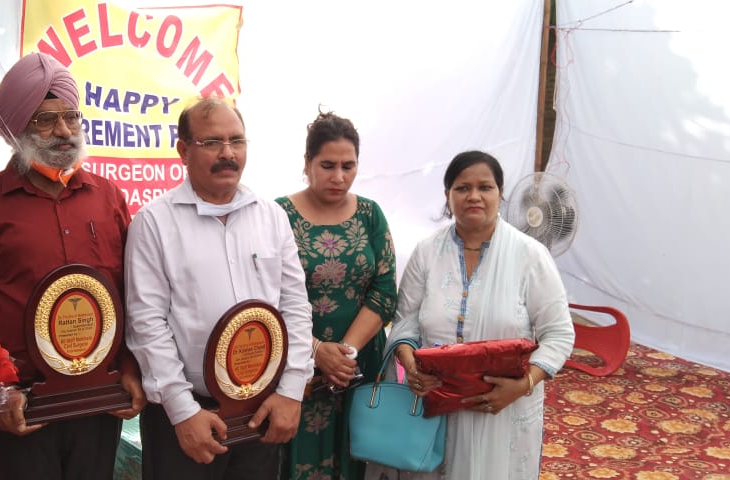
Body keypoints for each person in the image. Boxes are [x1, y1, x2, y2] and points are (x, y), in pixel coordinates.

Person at [0, 52, 145, 480]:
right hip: (22, 407)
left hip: (99, 400)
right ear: (17, 129)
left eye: (71, 116)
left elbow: (131, 295)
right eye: (45, 120)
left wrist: (128, 367)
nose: (64, 131)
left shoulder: (108, 197)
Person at [124, 96, 314, 479]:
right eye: (212, 142)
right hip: (187, 419)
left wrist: (291, 390)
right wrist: (182, 411)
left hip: (261, 410)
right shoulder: (153, 223)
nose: (228, 153)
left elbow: (294, 307)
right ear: (183, 150)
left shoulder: (272, 217)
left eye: (236, 141)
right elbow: (146, 323)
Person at [372, 150, 575, 480]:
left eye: (485, 187)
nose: (474, 196)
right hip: (434, 405)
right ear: (448, 195)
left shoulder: (529, 255)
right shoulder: (427, 252)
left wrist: (523, 385)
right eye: (463, 188)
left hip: (502, 410)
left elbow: (559, 333)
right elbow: (405, 320)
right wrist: (411, 366)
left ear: (500, 193)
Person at [275, 110, 397, 479]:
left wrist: (345, 354)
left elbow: (385, 290)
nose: (339, 176)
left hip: (358, 366)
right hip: (297, 367)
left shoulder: (370, 215)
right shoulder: (278, 215)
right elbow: (267, 295)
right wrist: (315, 351)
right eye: (327, 165)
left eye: (349, 166)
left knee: (357, 455)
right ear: (307, 162)